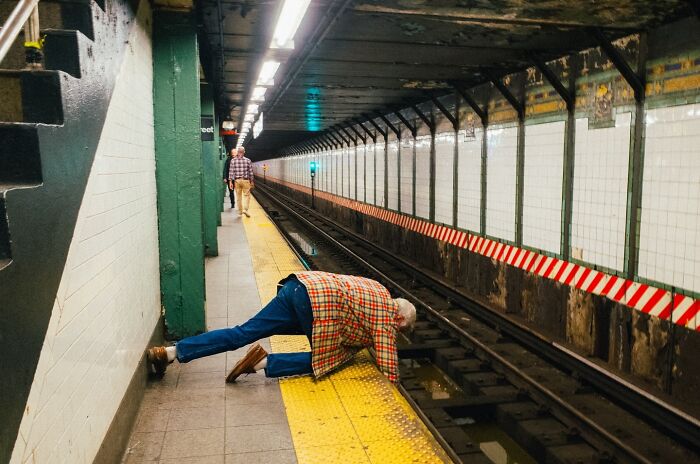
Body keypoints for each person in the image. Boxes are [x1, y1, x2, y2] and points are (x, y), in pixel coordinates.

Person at [147, 271, 416, 384]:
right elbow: (387, 358)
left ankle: (169, 352)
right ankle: (263, 363)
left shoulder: (379, 290)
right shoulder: (387, 315)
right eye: (400, 331)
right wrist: (393, 381)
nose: (396, 333)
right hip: (317, 306)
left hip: (297, 287)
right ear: (400, 320)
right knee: (331, 357)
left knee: (243, 332)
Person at [228, 146, 254, 217]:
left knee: (238, 197)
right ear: (244, 152)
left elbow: (231, 172)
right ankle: (245, 210)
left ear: (238, 152)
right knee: (247, 196)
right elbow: (251, 172)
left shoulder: (233, 160)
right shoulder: (248, 160)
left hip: (237, 181)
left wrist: (230, 182)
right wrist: (252, 181)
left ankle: (240, 212)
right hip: (245, 180)